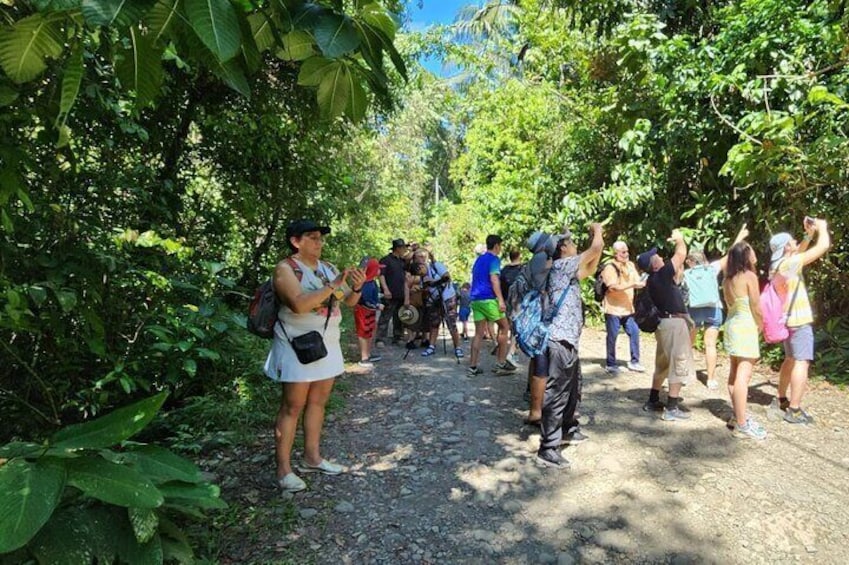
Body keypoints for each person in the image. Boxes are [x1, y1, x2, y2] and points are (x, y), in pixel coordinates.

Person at [265, 219, 366, 492]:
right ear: (295, 241)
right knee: (292, 406)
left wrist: (356, 287)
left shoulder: (327, 268)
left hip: (327, 344)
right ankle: (283, 470)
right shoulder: (286, 270)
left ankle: (313, 457)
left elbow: (348, 301)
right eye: (311, 237)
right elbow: (299, 304)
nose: (319, 242)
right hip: (296, 345)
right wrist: (333, 285)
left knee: (319, 402)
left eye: (320, 238)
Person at [536, 224, 603, 469]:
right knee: (557, 394)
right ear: (563, 248)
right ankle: (548, 448)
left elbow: (591, 264)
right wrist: (597, 230)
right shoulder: (562, 266)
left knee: (572, 389)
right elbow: (596, 248)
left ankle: (567, 429)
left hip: (569, 341)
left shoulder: (567, 271)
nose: (575, 246)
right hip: (560, 340)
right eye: (572, 243)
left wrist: (595, 244)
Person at [767, 217, 831, 424]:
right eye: (792, 241)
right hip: (799, 320)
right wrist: (822, 229)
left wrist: (808, 235)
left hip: (787, 319)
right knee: (802, 362)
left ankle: (782, 398)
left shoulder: (778, 265)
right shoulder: (790, 264)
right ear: (786, 247)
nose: (796, 242)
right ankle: (794, 409)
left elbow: (799, 251)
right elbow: (824, 246)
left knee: (791, 359)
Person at [638, 229, 695, 422]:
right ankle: (671, 407)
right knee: (678, 363)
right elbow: (681, 255)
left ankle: (653, 400)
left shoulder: (655, 279)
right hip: (673, 325)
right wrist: (679, 239)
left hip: (665, 324)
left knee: (662, 363)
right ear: (654, 264)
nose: (661, 256)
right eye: (657, 256)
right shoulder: (661, 275)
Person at [683, 225, 749, 389]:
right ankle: (711, 379)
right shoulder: (712, 268)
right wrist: (740, 236)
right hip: (713, 310)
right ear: (703, 258)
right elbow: (730, 254)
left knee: (688, 344)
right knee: (710, 345)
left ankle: (687, 374)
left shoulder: (686, 274)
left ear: (690, 261)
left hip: (694, 311)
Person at [722, 241, 766, 439]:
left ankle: (737, 415)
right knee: (744, 376)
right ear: (746, 256)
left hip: (731, 324)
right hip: (745, 325)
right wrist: (762, 324)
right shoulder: (749, 276)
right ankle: (742, 423)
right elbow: (755, 305)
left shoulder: (727, 279)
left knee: (734, 372)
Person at [468, 235, 515, 376]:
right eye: (500, 246)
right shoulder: (494, 260)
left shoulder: (479, 259)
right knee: (504, 327)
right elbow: (494, 280)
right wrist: (500, 300)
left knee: (478, 333)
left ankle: (473, 365)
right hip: (489, 299)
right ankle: (500, 363)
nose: (500, 248)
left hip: (476, 299)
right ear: (496, 246)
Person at [600, 241, 646, 374]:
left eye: (627, 251)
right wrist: (632, 284)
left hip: (628, 309)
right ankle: (611, 363)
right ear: (615, 253)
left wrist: (643, 283)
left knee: (635, 332)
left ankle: (635, 361)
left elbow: (637, 282)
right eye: (623, 252)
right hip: (613, 309)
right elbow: (613, 287)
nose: (626, 254)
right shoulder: (610, 267)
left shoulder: (631, 265)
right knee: (612, 336)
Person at [420, 251, 463, 358]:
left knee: (451, 323)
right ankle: (431, 346)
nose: (420, 260)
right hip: (434, 299)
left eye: (422, 257)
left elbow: (447, 278)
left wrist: (433, 282)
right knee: (434, 323)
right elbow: (424, 289)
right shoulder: (420, 274)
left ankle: (457, 347)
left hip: (448, 297)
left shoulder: (436, 266)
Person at [377, 239, 409, 346]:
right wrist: (385, 289)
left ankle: (398, 336)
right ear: (398, 248)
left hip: (400, 293)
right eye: (403, 248)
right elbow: (381, 275)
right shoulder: (385, 260)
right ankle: (380, 338)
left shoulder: (403, 261)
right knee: (386, 316)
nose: (405, 250)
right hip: (390, 293)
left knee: (400, 317)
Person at [354, 258, 384, 368]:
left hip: (370, 312)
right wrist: (376, 305)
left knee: (370, 332)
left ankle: (368, 353)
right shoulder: (365, 283)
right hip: (363, 311)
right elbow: (364, 300)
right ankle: (364, 357)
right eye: (377, 269)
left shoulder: (372, 282)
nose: (380, 271)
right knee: (363, 332)